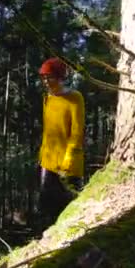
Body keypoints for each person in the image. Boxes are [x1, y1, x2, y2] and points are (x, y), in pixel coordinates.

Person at [37, 57, 85, 228]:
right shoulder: (47, 99)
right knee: (46, 206)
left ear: (60, 78)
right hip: (48, 162)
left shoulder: (74, 98)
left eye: (50, 77)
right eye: (43, 78)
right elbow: (48, 131)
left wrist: (68, 161)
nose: (46, 82)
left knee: (68, 208)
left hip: (69, 164)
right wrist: (42, 156)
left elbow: (77, 132)